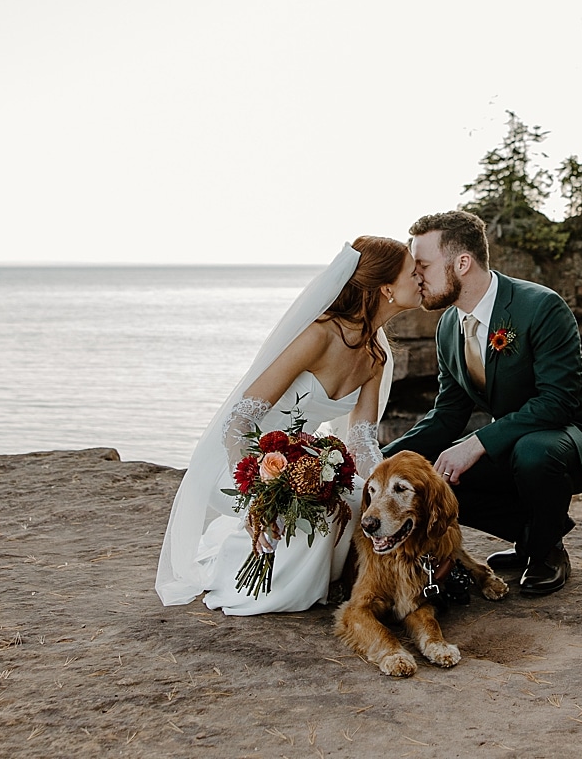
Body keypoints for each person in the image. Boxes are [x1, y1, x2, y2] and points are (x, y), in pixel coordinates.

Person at [155, 237, 421, 615]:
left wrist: (381, 490)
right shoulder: (318, 334)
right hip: (242, 461)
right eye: (414, 272)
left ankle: (362, 582)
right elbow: (239, 420)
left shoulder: (376, 353)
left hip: (304, 461)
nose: (421, 279)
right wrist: (260, 492)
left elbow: (361, 439)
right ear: (387, 288)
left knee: (357, 499)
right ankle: (245, 566)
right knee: (320, 509)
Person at [383, 210, 582, 595]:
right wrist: (379, 460)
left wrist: (476, 444)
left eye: (424, 265)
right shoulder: (449, 326)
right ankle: (534, 536)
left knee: (533, 451)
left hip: (574, 434)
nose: (416, 276)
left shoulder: (540, 307)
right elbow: (447, 414)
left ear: (462, 263)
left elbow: (558, 401)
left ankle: (547, 552)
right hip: (517, 438)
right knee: (435, 477)